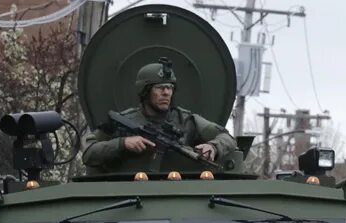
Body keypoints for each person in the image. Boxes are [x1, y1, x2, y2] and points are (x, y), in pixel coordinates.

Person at [82, 58, 238, 174]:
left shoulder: (186, 120)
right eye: (160, 87)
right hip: (125, 192)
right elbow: (89, 153)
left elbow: (227, 138)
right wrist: (122, 143)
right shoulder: (123, 121)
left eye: (170, 88)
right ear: (145, 91)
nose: (166, 93)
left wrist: (213, 147)